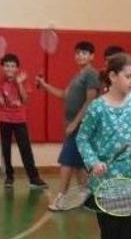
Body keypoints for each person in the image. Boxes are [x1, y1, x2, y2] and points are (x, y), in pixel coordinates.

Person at [76, 52, 131, 239]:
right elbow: (82, 138)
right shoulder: (97, 107)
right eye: (128, 76)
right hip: (106, 186)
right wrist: (93, 161)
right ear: (113, 76)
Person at [36, 41, 100, 211]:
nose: (80, 56)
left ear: (92, 56)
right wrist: (44, 85)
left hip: (82, 127)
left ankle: (61, 198)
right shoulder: (77, 76)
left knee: (66, 161)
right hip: (74, 126)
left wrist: (75, 123)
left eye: (84, 53)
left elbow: (90, 101)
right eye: (78, 53)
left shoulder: (91, 75)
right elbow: (64, 94)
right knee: (79, 164)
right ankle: (88, 197)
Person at [0, 53, 47, 189]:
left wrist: (19, 83)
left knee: (25, 149)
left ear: (17, 68)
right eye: (7, 66)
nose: (9, 68)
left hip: (19, 120)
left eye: (12, 66)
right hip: (4, 120)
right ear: (2, 67)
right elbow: (2, 103)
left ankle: (34, 178)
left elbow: (25, 100)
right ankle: (9, 177)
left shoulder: (23, 80)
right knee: (5, 150)